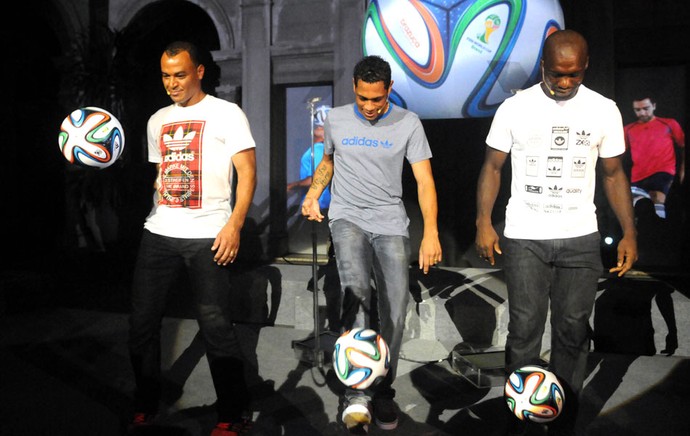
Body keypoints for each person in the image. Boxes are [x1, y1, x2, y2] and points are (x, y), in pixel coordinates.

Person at [474, 30, 638, 435]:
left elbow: (614, 173)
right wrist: (483, 221)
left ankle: (563, 420)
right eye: (558, 75)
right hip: (525, 235)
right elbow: (492, 167)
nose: (565, 83)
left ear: (585, 69)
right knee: (525, 329)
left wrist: (630, 232)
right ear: (543, 67)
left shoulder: (604, 110)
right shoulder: (515, 108)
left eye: (575, 75)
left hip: (580, 236)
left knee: (572, 330)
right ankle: (523, 418)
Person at [301, 55, 442, 434]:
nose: (368, 106)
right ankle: (356, 390)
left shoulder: (408, 123)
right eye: (363, 98)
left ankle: (382, 387)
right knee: (356, 294)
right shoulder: (337, 119)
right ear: (354, 88)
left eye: (376, 100)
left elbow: (424, 180)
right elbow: (328, 162)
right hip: (347, 216)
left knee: (396, 306)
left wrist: (431, 232)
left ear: (389, 91)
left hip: (390, 220)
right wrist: (314, 194)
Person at [127, 41, 257, 436]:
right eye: (166, 76)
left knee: (216, 326)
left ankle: (232, 414)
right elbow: (160, 172)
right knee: (141, 326)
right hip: (159, 232)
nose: (172, 83)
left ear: (199, 71)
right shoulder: (156, 120)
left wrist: (233, 225)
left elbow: (248, 172)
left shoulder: (226, 113)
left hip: (208, 234)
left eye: (180, 74)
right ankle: (148, 403)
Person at [624, 97, 685, 218]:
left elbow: (683, 145)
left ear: (654, 106)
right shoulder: (628, 129)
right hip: (638, 177)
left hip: (663, 172)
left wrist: (683, 170)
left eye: (646, 108)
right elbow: (619, 154)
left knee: (657, 201)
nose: (642, 113)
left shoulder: (669, 123)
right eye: (637, 110)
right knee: (636, 209)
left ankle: (661, 232)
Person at [287, 104, 332, 210]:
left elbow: (315, 178)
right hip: (317, 205)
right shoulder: (318, 149)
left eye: (321, 126)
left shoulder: (319, 149)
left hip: (317, 206)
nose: (318, 127)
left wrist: (291, 186)